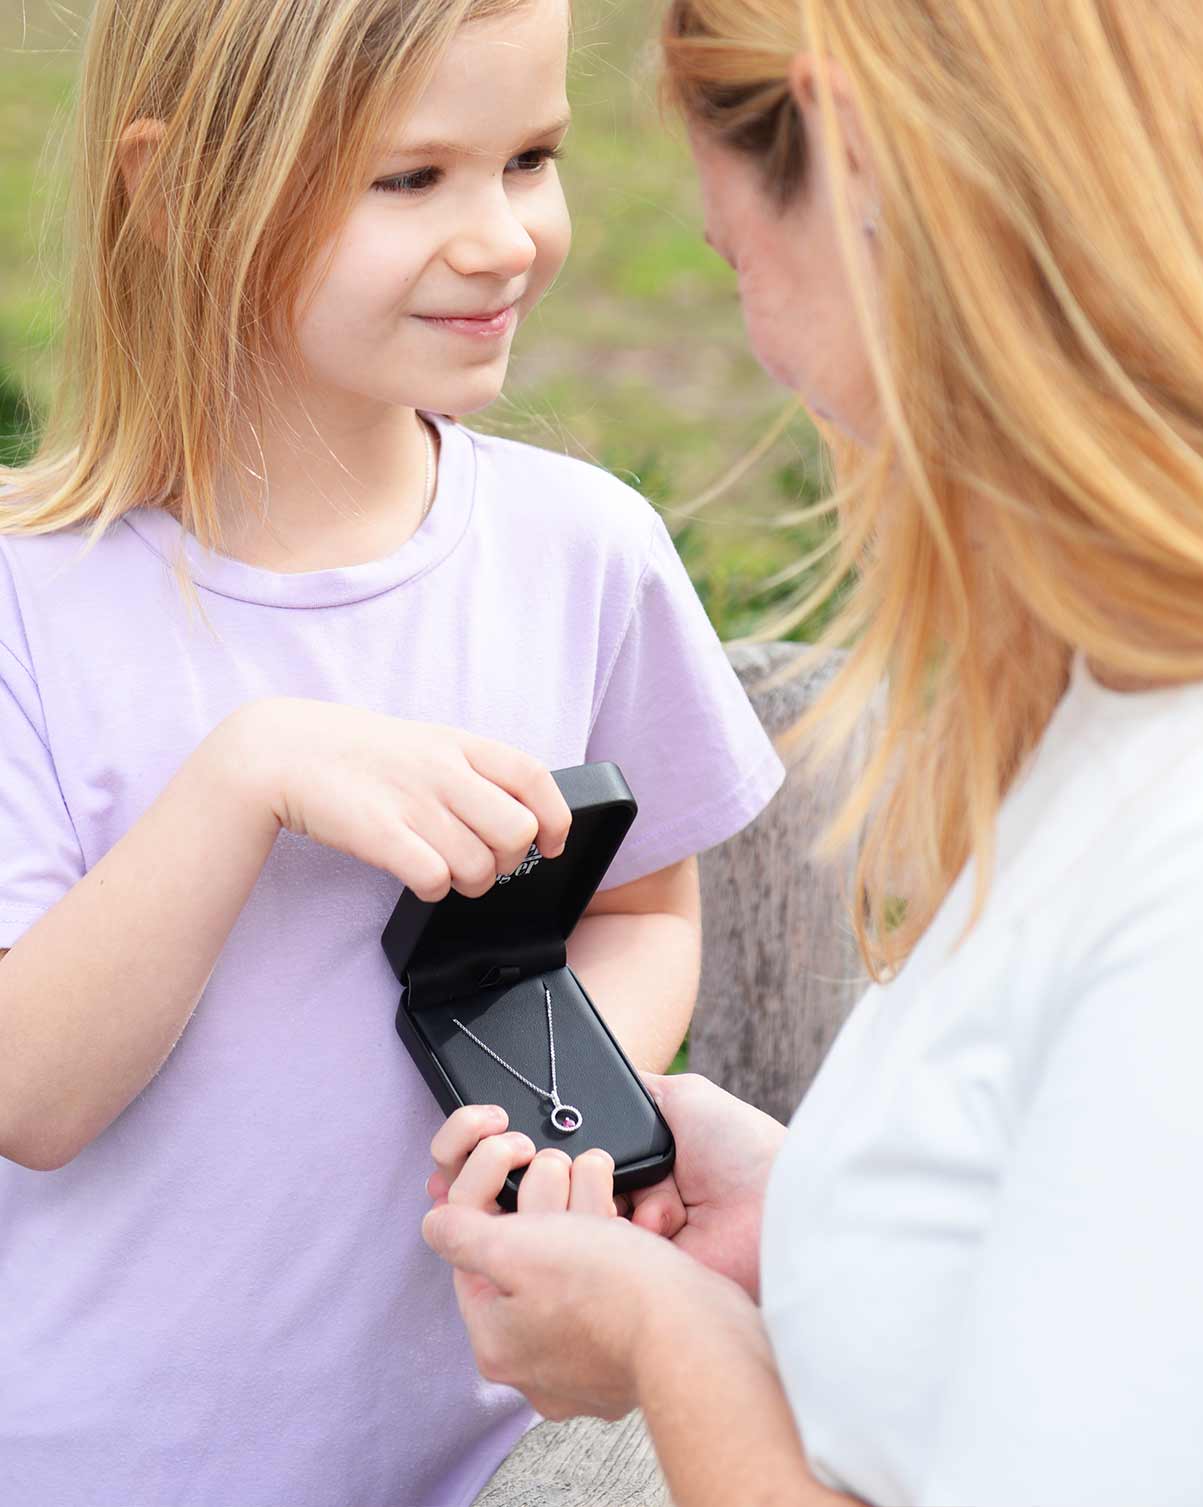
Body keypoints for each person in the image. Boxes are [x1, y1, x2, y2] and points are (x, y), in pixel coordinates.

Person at [418, 1, 1203, 1504]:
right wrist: (822, 1217)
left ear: (861, 173)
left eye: (736, 259)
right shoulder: (1161, 705)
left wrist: (667, 1341)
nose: (766, 348)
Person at [0, 0, 784, 1503]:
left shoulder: (585, 552)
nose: (502, 239)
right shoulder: (31, 601)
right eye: (410, 179)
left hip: (482, 1459)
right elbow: (32, 1094)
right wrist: (246, 778)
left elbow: (640, 907)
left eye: (531, 157)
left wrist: (569, 1097)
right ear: (176, 195)